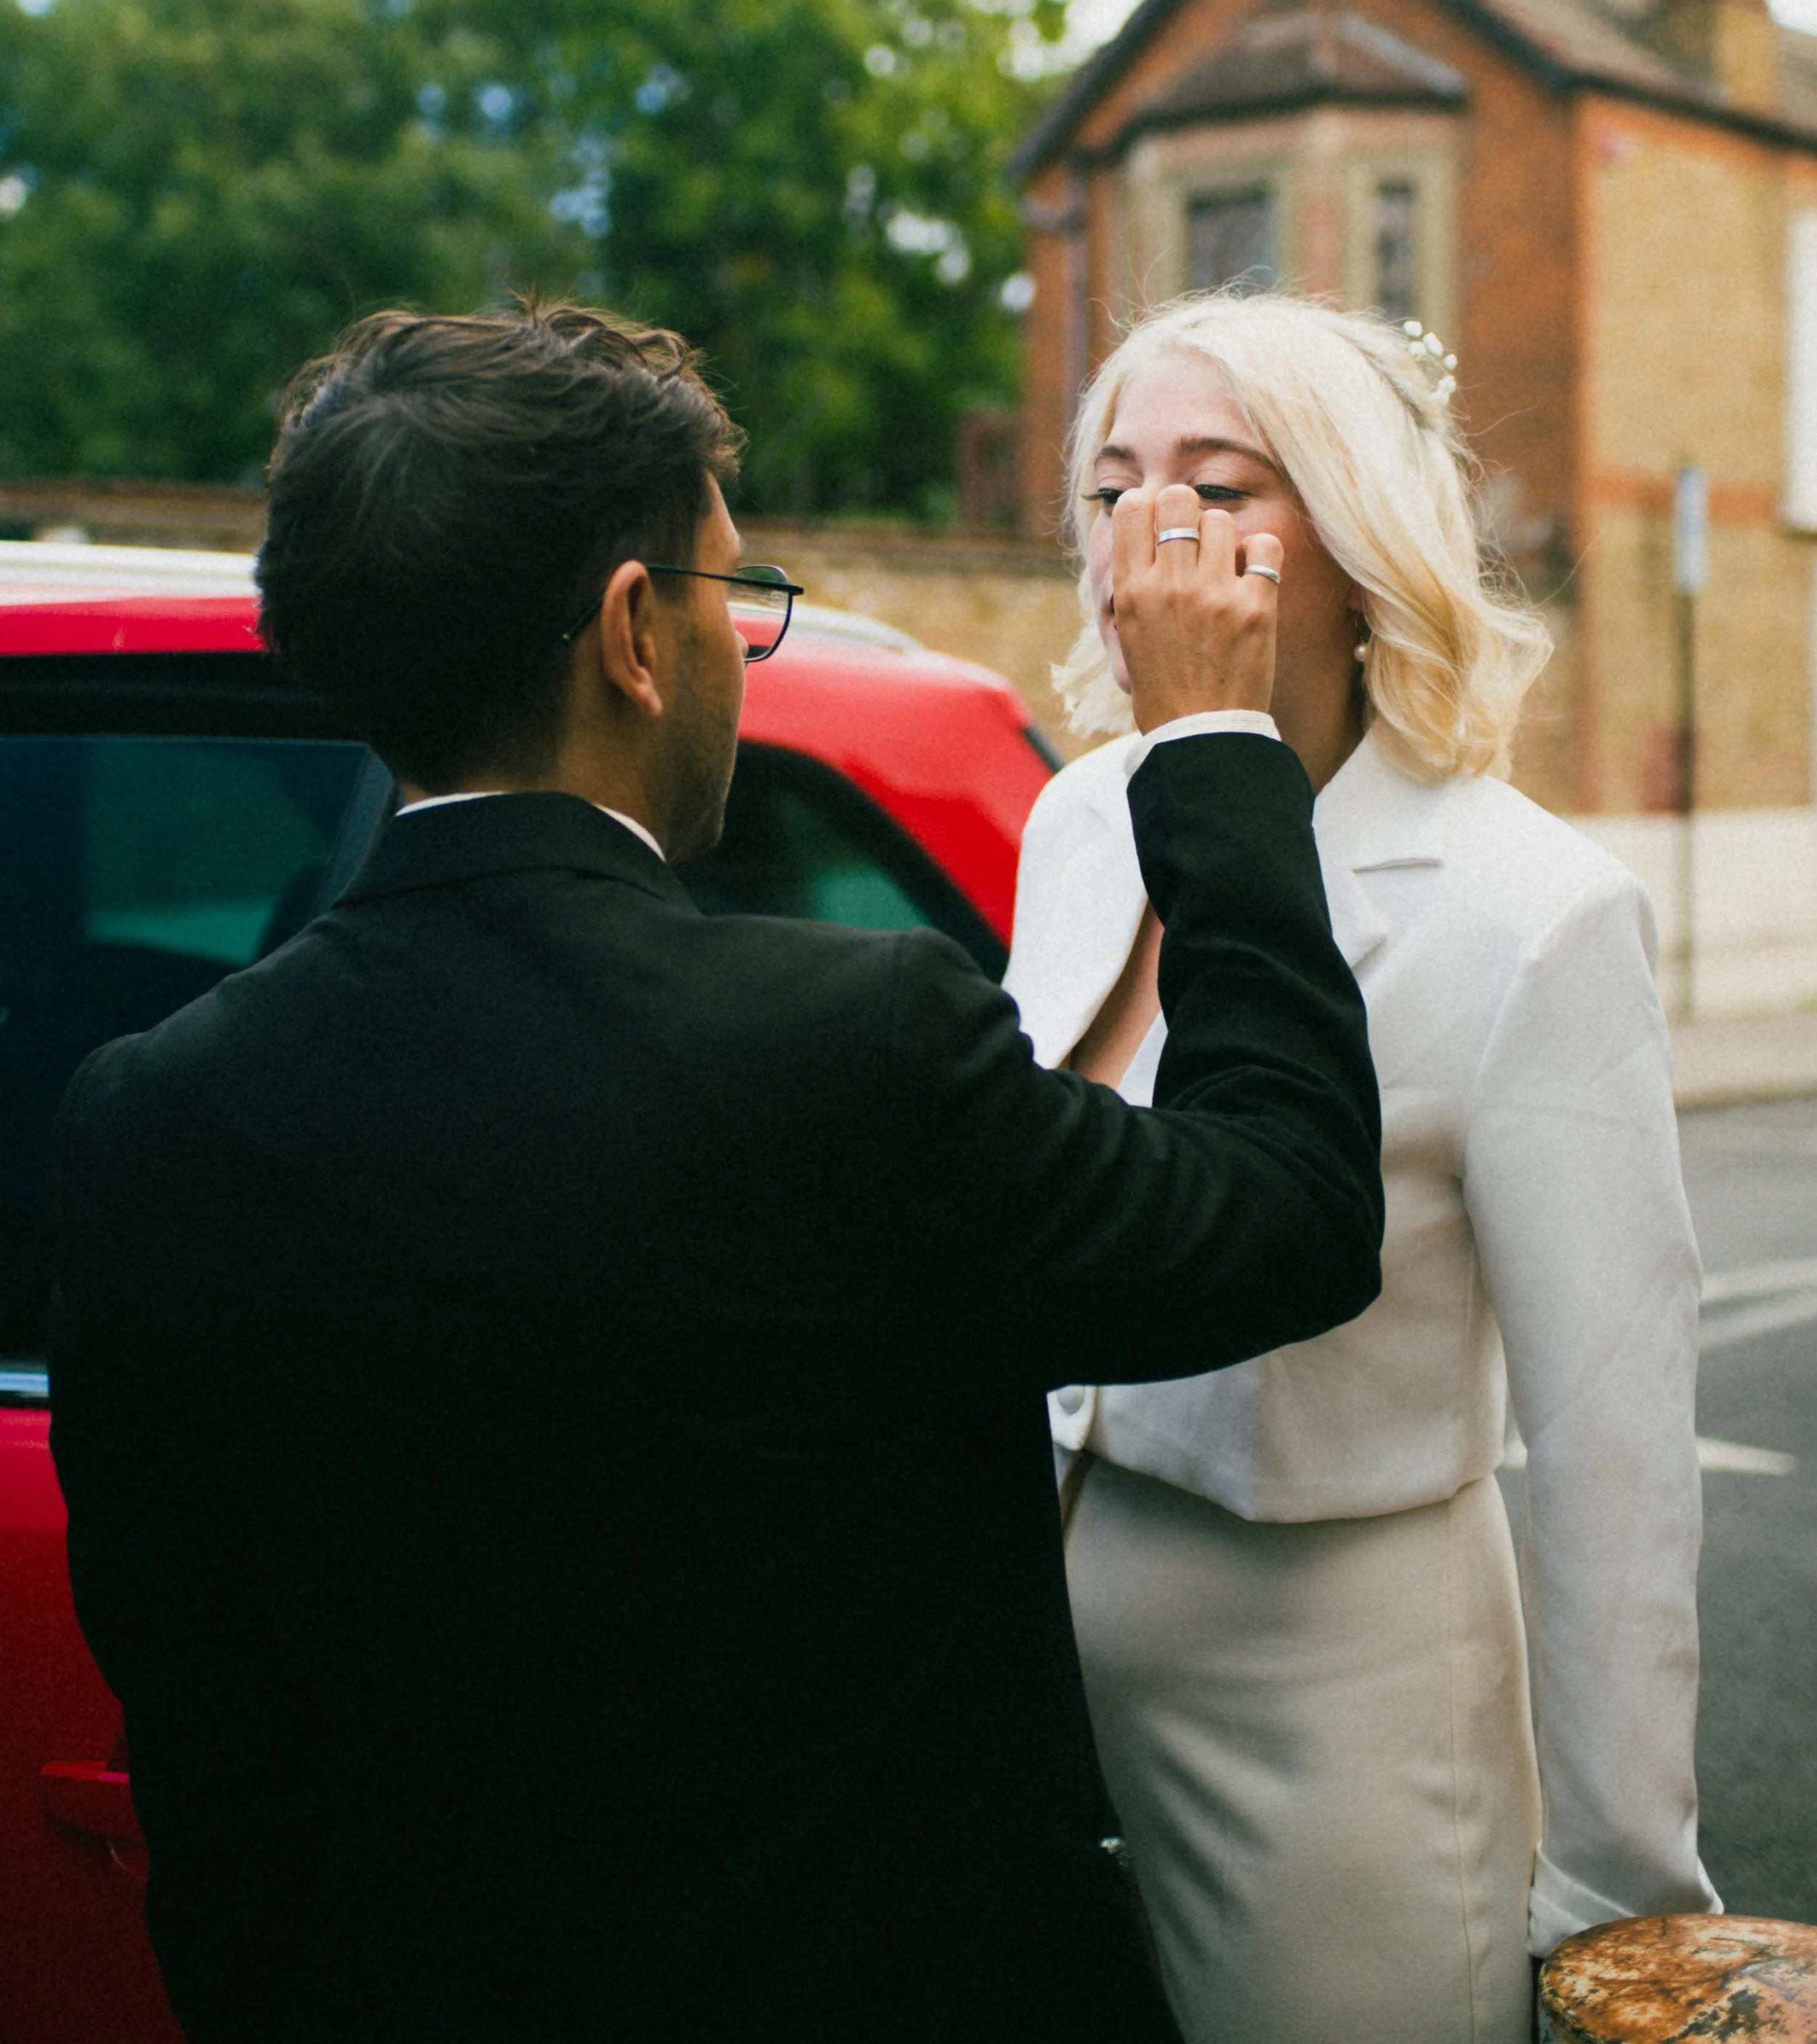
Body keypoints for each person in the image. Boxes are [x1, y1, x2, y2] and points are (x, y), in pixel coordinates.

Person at [48, 303, 1382, 2044]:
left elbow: (204, 1733)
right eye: (730, 595)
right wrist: (1213, 751)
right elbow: (1281, 1213)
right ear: (629, 633)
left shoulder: (146, 1120)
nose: (743, 651)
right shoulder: (849, 1048)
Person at [1005, 289, 1720, 2044]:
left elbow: (1617, 1444)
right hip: (1029, 1678)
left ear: (1353, 536)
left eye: (1218, 487)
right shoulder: (1079, 820)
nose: (1147, 535)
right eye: (1111, 490)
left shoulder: (1529, 911)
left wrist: (1618, 1898)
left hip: (1340, 1714)